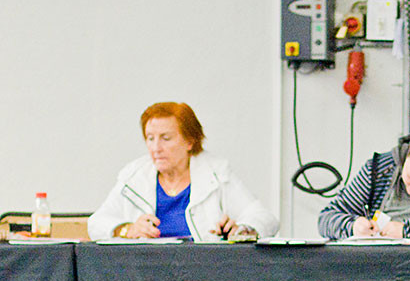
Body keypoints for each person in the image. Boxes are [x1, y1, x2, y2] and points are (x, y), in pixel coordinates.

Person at [88, 102, 279, 241]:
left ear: (189, 141)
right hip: (145, 275)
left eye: (166, 138)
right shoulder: (134, 175)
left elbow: (265, 218)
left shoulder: (217, 173)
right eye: (150, 138)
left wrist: (242, 230)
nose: (156, 148)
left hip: (201, 273)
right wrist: (126, 229)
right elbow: (96, 223)